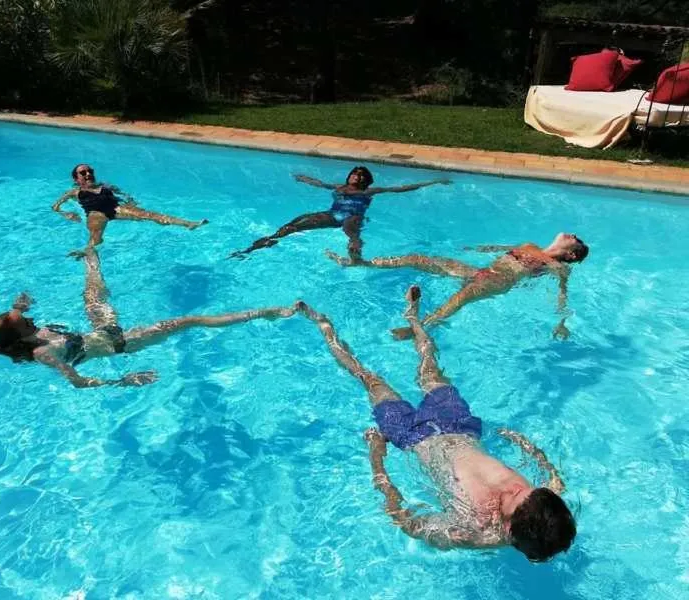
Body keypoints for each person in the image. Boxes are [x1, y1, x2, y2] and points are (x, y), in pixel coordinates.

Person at [296, 286, 575, 561]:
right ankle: (413, 319)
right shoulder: (544, 500)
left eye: (513, 497)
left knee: (368, 379)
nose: (514, 487)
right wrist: (523, 443)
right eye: (524, 487)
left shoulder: (470, 532)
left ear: (508, 529)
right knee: (429, 366)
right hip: (457, 423)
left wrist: (377, 457)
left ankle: (322, 324)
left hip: (410, 435)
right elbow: (551, 474)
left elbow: (403, 520)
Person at [0, 247, 298, 388]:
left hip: (98, 332)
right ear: (20, 338)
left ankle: (90, 253)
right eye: (24, 321)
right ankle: (262, 314)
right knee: (188, 321)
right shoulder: (43, 354)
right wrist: (122, 380)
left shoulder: (27, 333)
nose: (30, 318)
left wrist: (19, 305)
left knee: (91, 293)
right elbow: (78, 383)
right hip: (118, 343)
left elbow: (18, 316)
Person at [327, 233, 589, 339]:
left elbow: (562, 293)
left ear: (572, 254)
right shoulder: (530, 245)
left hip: (498, 281)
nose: (570, 234)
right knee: (418, 259)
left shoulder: (557, 267)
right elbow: (502, 248)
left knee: (458, 299)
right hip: (482, 271)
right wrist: (481, 248)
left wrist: (561, 322)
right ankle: (361, 263)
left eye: (575, 239)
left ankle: (417, 329)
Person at [230, 166, 451, 260]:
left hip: (352, 215)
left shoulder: (369, 191)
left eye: (358, 174)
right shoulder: (338, 187)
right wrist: (304, 179)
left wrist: (433, 181)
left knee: (352, 233)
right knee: (294, 226)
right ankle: (261, 244)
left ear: (364, 179)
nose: (354, 176)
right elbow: (321, 183)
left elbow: (401, 188)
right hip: (331, 214)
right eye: (353, 173)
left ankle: (356, 256)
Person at [52, 164, 208, 254]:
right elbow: (55, 206)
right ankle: (87, 255)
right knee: (96, 240)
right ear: (76, 178)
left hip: (116, 208)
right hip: (95, 214)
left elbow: (125, 195)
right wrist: (67, 214)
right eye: (83, 173)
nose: (88, 174)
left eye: (90, 171)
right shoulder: (74, 192)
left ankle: (189, 224)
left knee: (150, 215)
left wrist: (132, 203)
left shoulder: (106, 186)